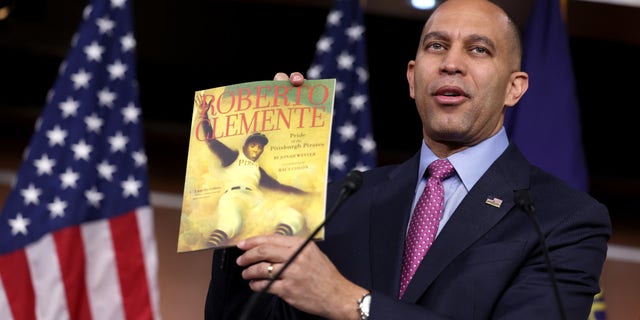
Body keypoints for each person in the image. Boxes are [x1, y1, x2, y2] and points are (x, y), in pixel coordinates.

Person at [204, 0, 611, 318]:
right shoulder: (343, 200)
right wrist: (253, 217)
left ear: (514, 88)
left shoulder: (563, 219)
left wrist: (352, 303)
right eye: (437, 46)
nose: (451, 63)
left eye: (479, 49)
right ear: (413, 78)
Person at [200, 102, 308, 247]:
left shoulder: (258, 169)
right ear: (245, 146)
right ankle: (211, 244)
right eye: (253, 145)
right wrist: (203, 116)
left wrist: (306, 194)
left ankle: (275, 243)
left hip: (256, 199)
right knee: (231, 222)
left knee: (292, 216)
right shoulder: (232, 156)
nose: (257, 150)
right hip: (234, 197)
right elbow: (211, 141)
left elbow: (278, 186)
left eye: (260, 147)